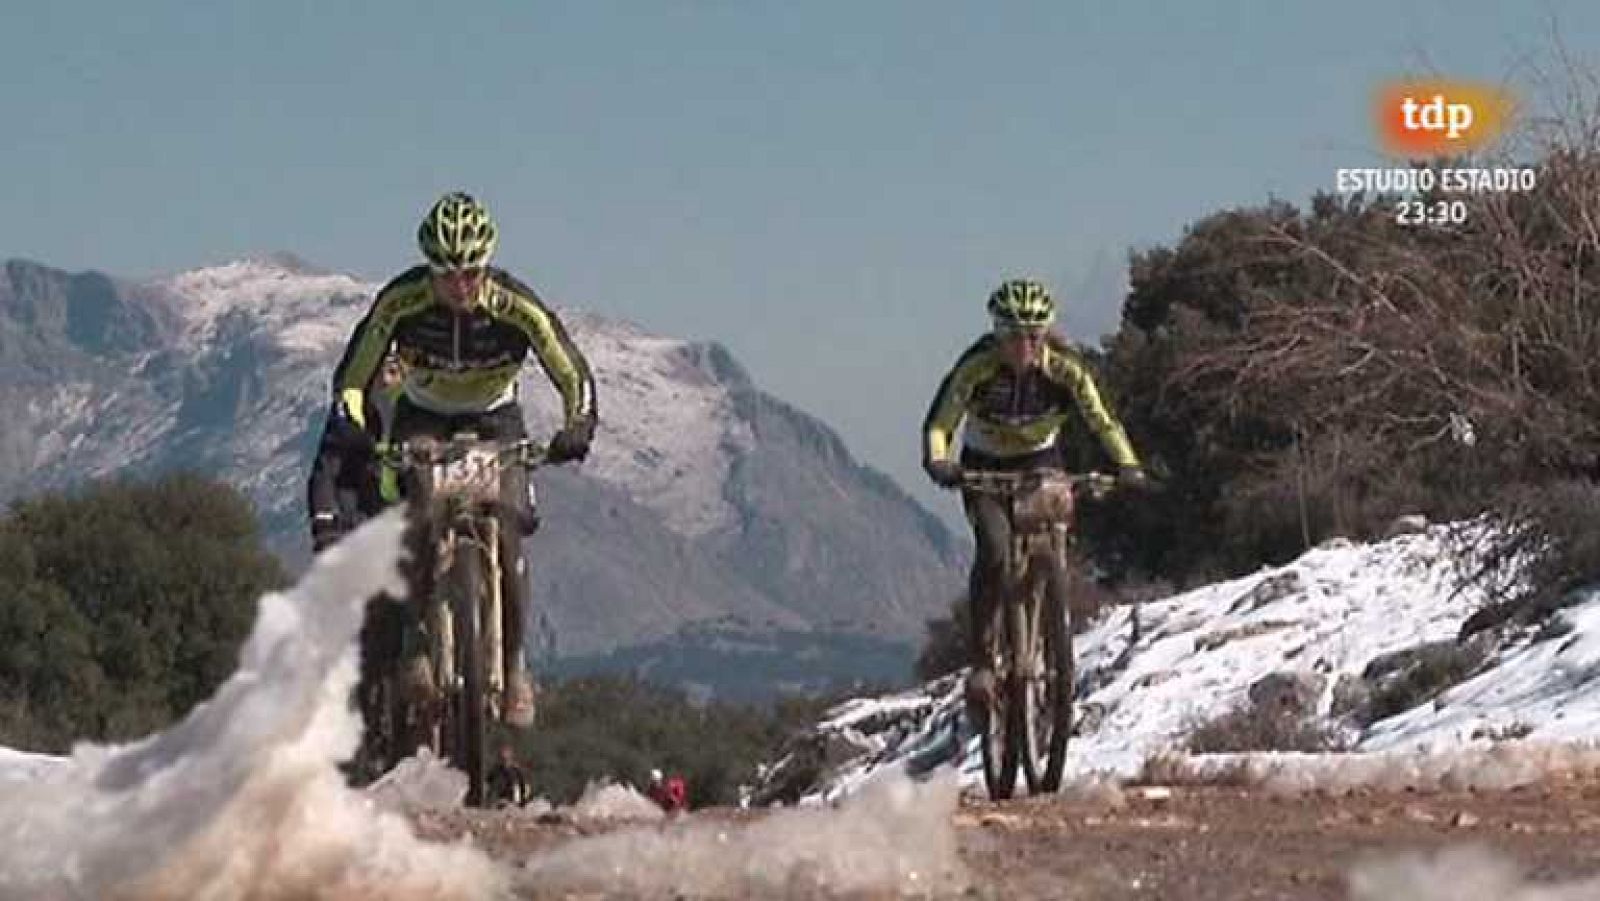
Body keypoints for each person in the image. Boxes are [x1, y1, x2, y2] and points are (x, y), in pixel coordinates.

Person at [307, 191, 598, 731]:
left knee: (509, 531)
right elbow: (352, 375)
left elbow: (572, 372)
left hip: (496, 417)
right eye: (446, 274)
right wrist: (353, 419)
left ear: (485, 265)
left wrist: (577, 426)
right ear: (428, 268)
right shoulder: (402, 301)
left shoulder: (516, 304)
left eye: (470, 272)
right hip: (425, 415)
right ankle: (417, 645)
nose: (459, 286)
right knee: (418, 514)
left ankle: (514, 666)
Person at [921, 277, 1145, 715]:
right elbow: (940, 423)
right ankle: (984, 663)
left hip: (1040, 460)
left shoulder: (1065, 368)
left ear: (1045, 335)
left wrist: (1128, 464)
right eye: (1011, 336)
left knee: (1057, 521)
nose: (1022, 347)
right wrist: (940, 461)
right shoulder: (977, 367)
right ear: (997, 334)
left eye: (1032, 336)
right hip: (983, 466)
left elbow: (1101, 420)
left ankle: (1050, 603)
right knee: (995, 551)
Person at [486, 743, 532, 808]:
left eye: (506, 758)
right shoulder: (496, 771)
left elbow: (526, 788)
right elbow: (489, 785)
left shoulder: (517, 771)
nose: (504, 761)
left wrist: (522, 802)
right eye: (502, 758)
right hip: (498, 802)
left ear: (511, 757)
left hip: (514, 803)